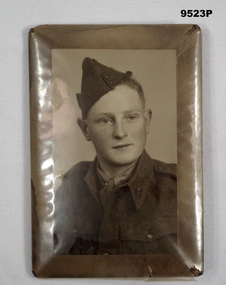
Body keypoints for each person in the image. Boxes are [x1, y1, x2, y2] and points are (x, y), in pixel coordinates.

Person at [54, 57, 177, 255]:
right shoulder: (70, 186)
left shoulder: (179, 187)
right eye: (105, 120)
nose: (120, 132)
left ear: (146, 121)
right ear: (85, 129)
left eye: (131, 117)